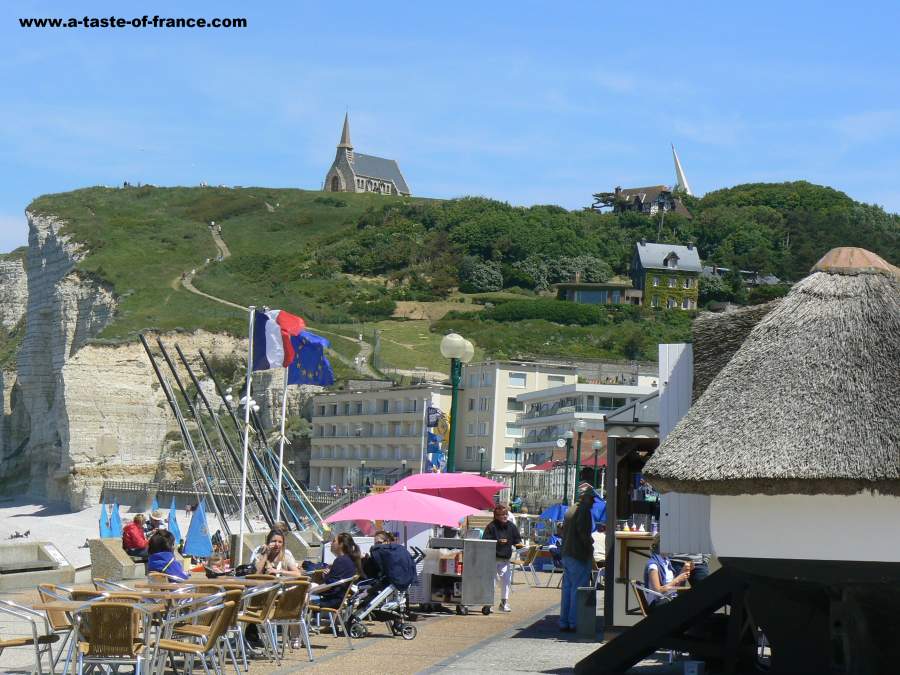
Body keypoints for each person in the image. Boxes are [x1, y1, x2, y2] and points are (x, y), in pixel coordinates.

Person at [559, 487, 594, 632]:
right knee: (578, 589)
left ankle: (564, 621)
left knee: (567, 589)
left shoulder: (570, 509)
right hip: (578, 554)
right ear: (586, 498)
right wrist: (589, 545)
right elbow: (582, 532)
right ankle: (574, 622)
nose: (593, 502)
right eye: (592, 499)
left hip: (567, 553)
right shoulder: (583, 510)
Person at [481, 504, 523, 613]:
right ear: (496, 516)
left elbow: (517, 539)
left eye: (506, 514)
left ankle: (504, 603)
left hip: (505, 559)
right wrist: (497, 542)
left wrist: (519, 545)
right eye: (502, 515)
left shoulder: (511, 526)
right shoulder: (491, 527)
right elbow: (485, 541)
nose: (505, 516)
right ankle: (488, 604)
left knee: (506, 581)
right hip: (493, 558)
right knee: (492, 582)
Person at [313, 533, 363, 609]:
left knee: (301, 595)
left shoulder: (341, 561)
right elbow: (336, 582)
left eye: (334, 541)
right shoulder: (349, 560)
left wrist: (311, 591)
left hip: (329, 601)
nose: (331, 543)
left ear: (341, 544)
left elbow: (330, 585)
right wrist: (327, 575)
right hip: (337, 600)